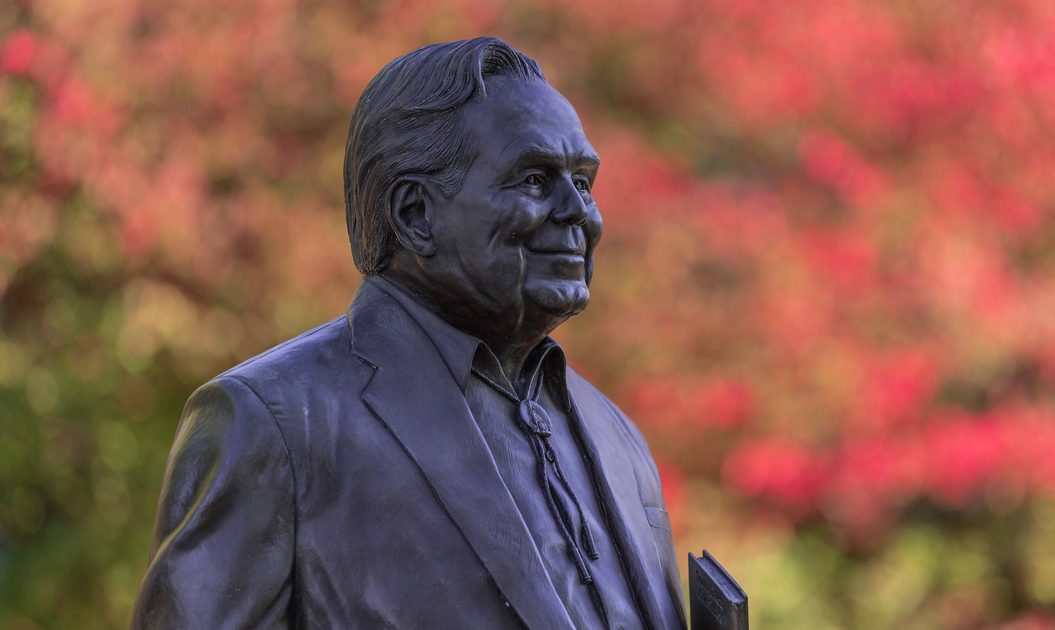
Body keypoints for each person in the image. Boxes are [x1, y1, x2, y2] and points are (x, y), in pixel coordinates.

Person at [132, 36, 686, 629]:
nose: (578, 211)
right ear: (415, 214)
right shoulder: (278, 424)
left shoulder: (617, 439)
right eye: (533, 180)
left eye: (583, 181)